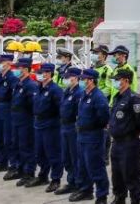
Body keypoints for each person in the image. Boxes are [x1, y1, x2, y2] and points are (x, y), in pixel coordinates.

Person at [71, 68, 111, 204]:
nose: (81, 81)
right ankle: (85, 190)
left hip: (94, 135)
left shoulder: (98, 97)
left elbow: (104, 117)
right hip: (82, 135)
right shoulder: (84, 94)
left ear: (91, 81)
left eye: (84, 79)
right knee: (82, 165)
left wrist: (94, 127)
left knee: (96, 166)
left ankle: (102, 195)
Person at [109, 69, 140, 204]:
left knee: (131, 174)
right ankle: (119, 197)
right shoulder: (117, 96)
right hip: (116, 143)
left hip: (129, 143)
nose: (115, 82)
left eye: (117, 79)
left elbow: (139, 121)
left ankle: (135, 199)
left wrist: (130, 132)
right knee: (117, 174)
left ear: (126, 81)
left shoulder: (134, 98)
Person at [30, 62, 64, 191]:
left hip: (51, 125)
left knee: (53, 153)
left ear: (50, 74)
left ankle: (56, 179)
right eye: (41, 72)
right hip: (38, 124)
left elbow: (60, 109)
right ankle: (43, 175)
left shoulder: (55, 90)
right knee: (39, 152)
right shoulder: (38, 87)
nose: (42, 74)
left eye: (45, 72)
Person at [9, 56, 39, 185]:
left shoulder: (30, 85)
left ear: (26, 69)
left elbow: (33, 106)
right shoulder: (18, 83)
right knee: (17, 145)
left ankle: (29, 172)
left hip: (26, 121)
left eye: (19, 68)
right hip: (16, 119)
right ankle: (20, 168)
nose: (16, 70)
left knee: (26, 147)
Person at [56, 66, 85, 195]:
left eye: (69, 77)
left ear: (77, 78)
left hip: (73, 128)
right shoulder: (67, 91)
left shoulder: (79, 93)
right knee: (66, 157)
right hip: (64, 127)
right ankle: (71, 181)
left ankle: (79, 184)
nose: (66, 79)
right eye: (66, 77)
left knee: (75, 157)